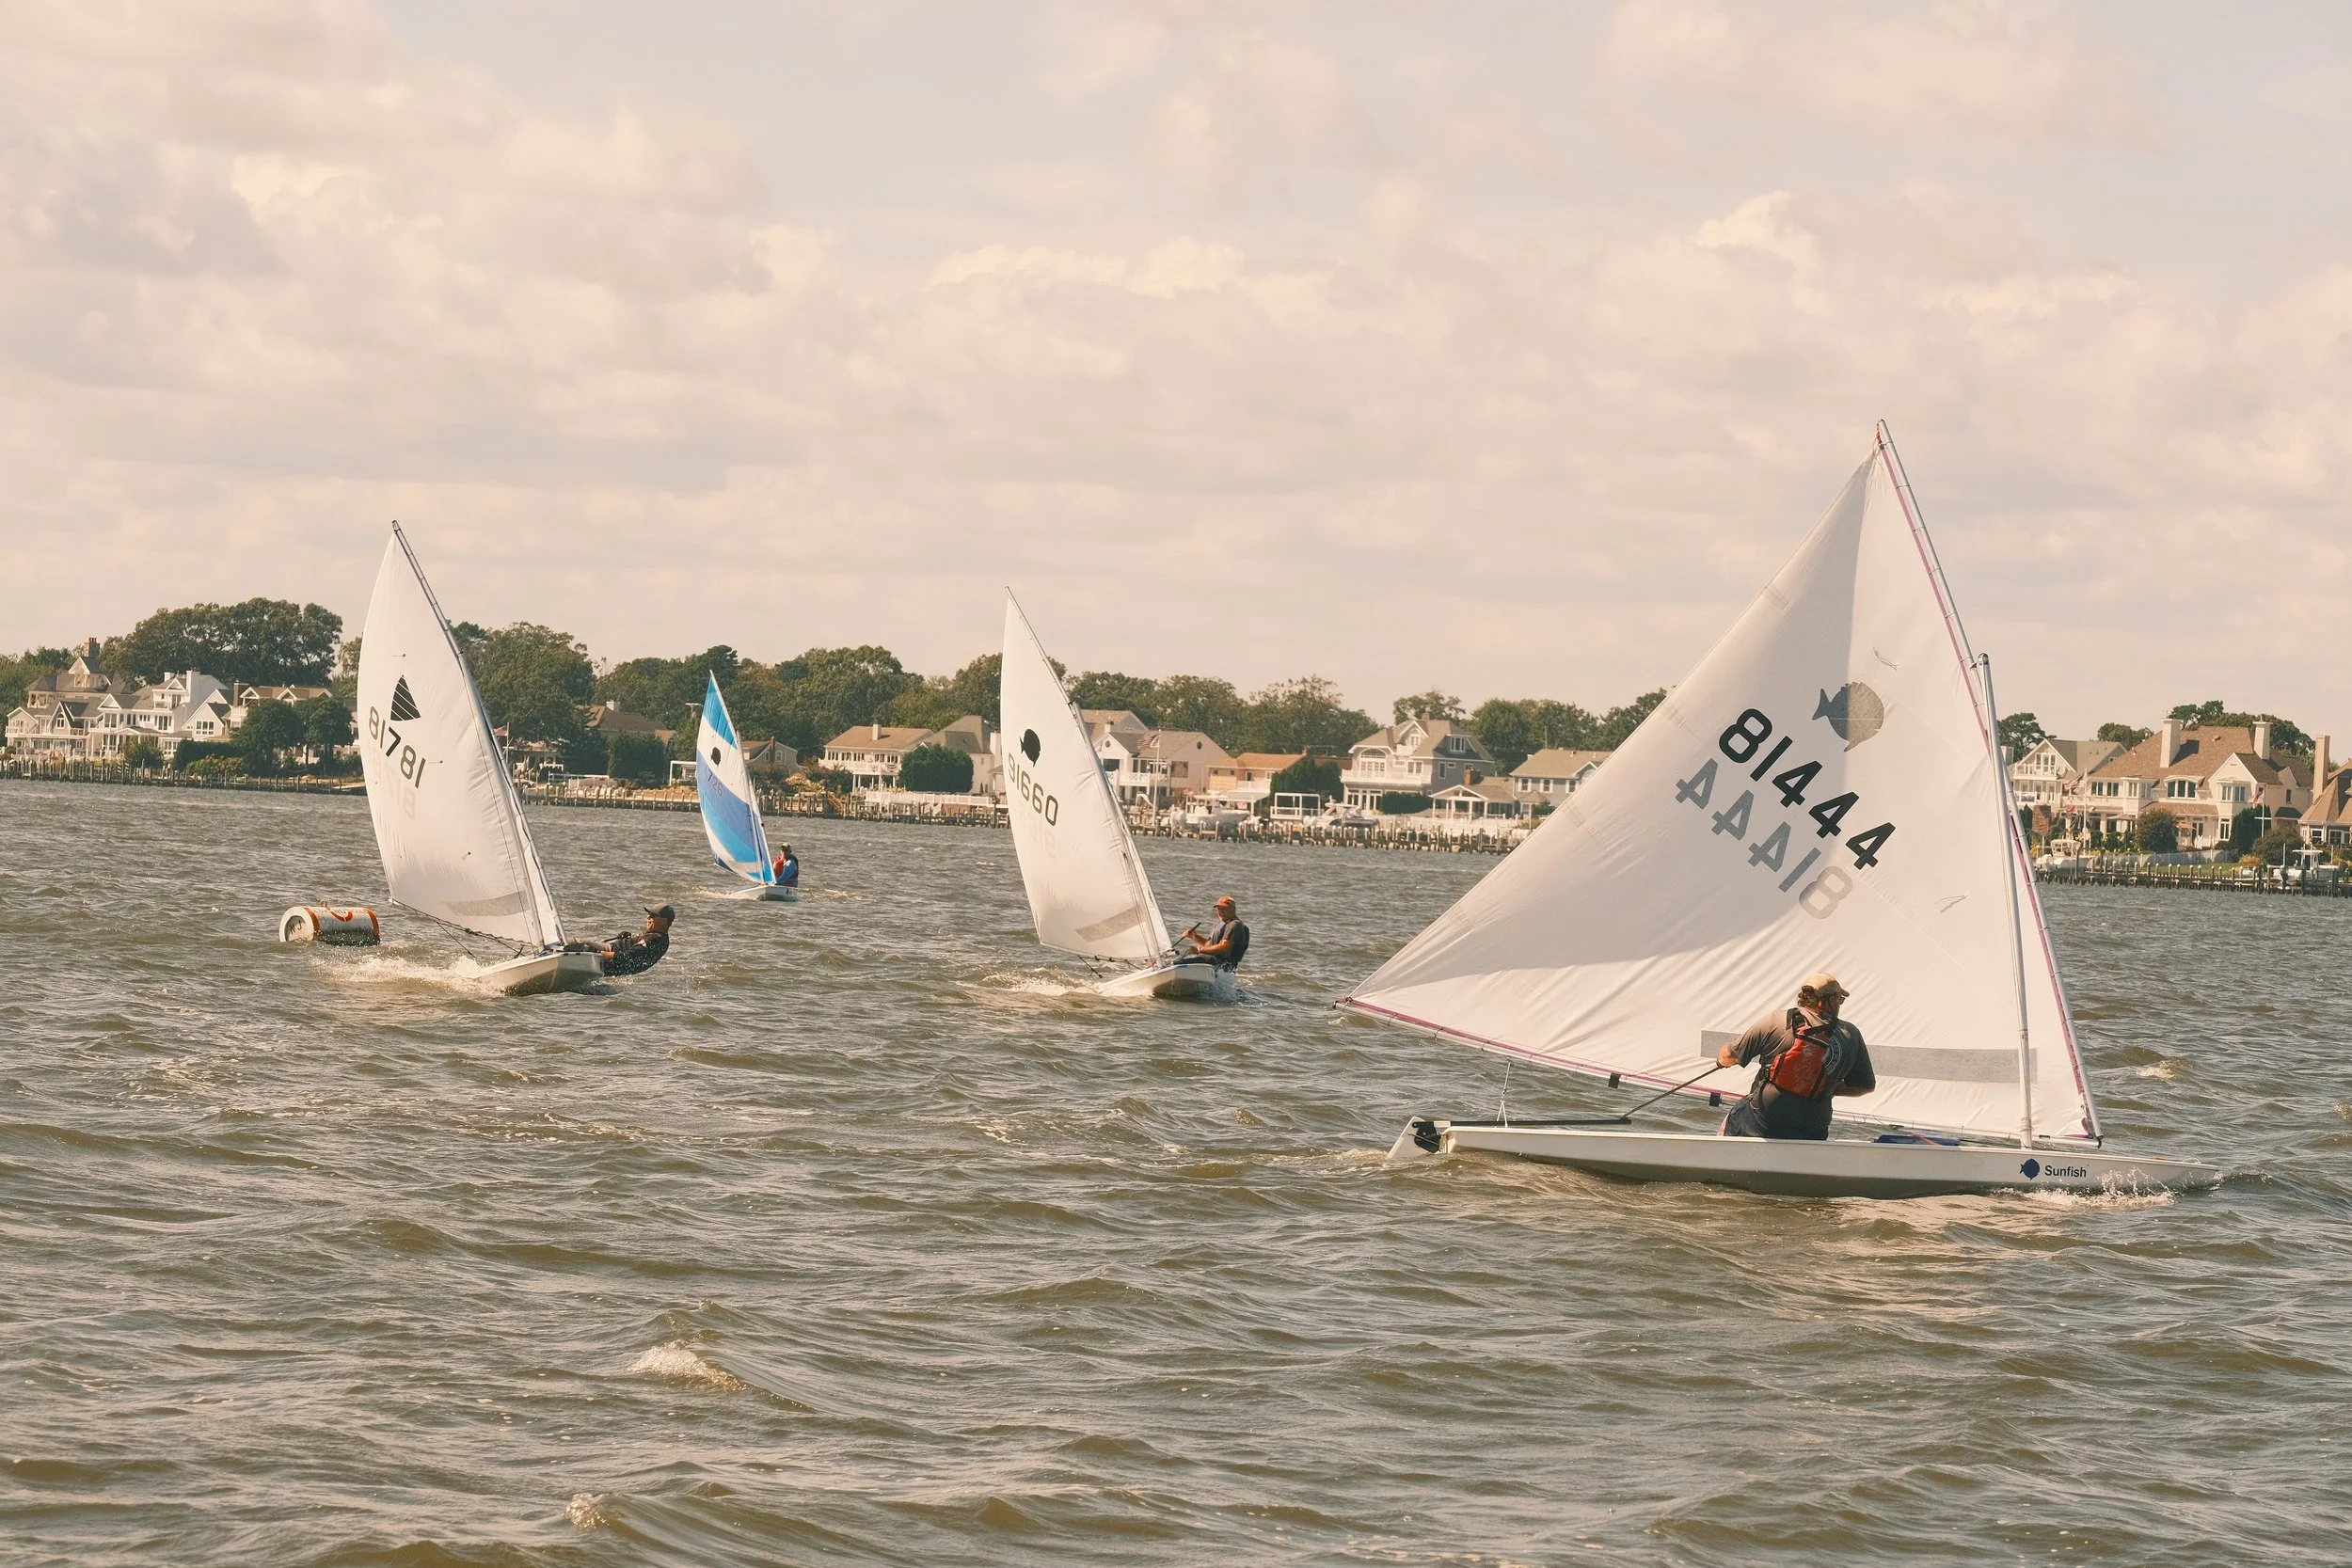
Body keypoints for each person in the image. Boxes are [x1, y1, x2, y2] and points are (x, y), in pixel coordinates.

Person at [1715, 972, 1875, 1140]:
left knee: (1735, 1115)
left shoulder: (1775, 1021)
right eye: (1839, 1000)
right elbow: (1866, 1086)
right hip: (1814, 1128)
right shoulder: (1851, 1034)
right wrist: (1824, 1087)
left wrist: (1721, 1060)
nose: (1840, 1004)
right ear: (1829, 1001)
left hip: (1765, 1120)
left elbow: (1728, 1056)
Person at [566, 903, 674, 976]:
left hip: (609, 959)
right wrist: (629, 939)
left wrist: (597, 953)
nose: (648, 917)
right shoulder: (661, 937)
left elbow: (627, 957)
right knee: (575, 944)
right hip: (612, 956)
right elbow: (638, 949)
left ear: (663, 921)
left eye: (653, 915)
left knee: (575, 944)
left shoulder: (654, 941)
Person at [1179, 895, 1250, 970]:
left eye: (1224, 909)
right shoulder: (1221, 923)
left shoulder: (1235, 924)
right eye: (1219, 909)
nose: (1221, 912)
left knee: (1179, 964)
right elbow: (1209, 945)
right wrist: (1194, 936)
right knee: (1176, 963)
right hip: (1211, 961)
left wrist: (1199, 949)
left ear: (1233, 909)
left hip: (1222, 965)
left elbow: (1224, 947)